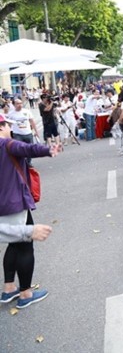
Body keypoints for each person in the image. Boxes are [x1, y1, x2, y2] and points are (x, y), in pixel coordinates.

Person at [0, 114, 60, 308]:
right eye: (7, 126)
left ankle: (9, 289)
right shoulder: (7, 144)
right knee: (25, 245)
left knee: (13, 244)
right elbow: (27, 148)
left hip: (3, 205)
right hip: (15, 203)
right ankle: (26, 293)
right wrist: (48, 150)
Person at [7, 98, 38, 165]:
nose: (20, 105)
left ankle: (28, 162)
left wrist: (36, 131)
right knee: (19, 149)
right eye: (17, 103)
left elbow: (32, 121)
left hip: (28, 133)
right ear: (14, 105)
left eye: (21, 103)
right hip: (17, 134)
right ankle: (21, 162)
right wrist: (9, 134)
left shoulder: (27, 111)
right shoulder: (11, 113)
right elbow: (8, 124)